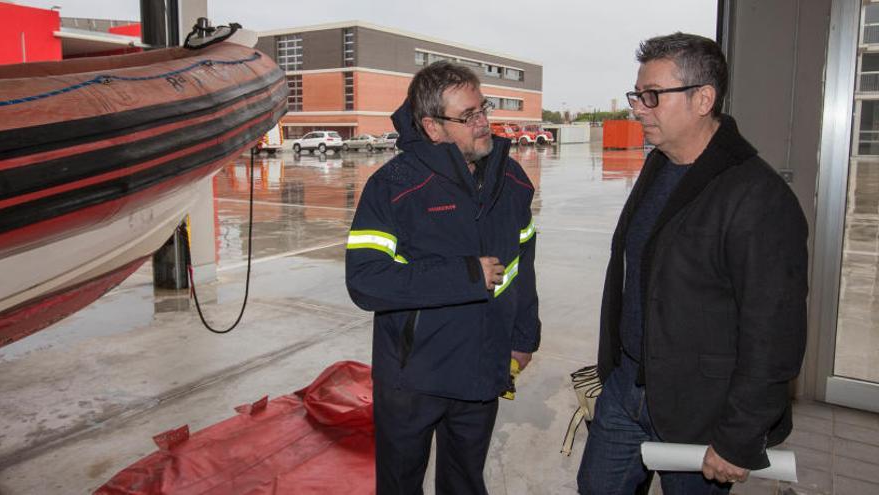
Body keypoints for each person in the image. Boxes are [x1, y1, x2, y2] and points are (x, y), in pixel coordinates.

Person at [578, 32, 809, 494]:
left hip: (701, 411)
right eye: (637, 95)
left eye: (652, 96)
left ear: (703, 99)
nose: (638, 108)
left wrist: (739, 436)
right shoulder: (659, 165)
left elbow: (774, 333)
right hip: (627, 389)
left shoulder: (757, 197)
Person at [345, 60, 540, 495]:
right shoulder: (393, 186)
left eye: (483, 108)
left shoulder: (512, 178)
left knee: (466, 484)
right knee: (399, 485)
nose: (484, 122)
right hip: (413, 377)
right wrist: (464, 275)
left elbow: (523, 262)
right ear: (433, 127)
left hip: (482, 369)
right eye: (468, 115)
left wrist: (524, 336)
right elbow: (365, 280)